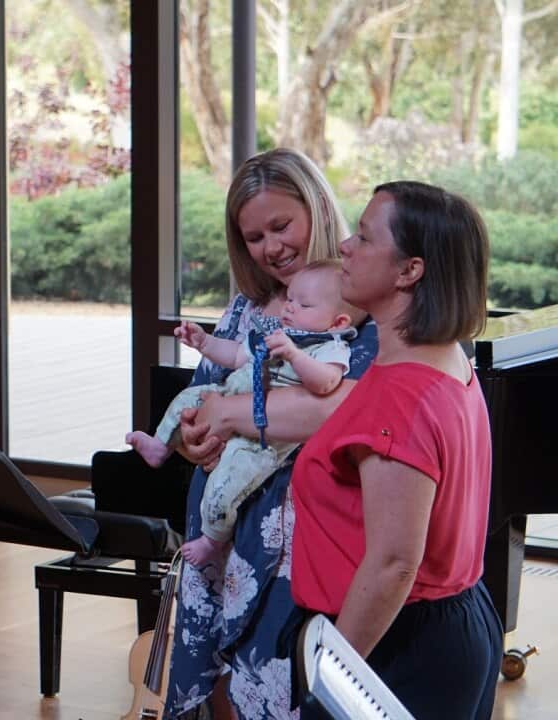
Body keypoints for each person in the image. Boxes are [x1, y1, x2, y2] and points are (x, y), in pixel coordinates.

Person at [162, 149, 378, 720]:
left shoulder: (357, 308)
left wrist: (229, 414)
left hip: (302, 536)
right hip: (223, 523)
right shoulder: (246, 309)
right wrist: (191, 439)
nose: (272, 247)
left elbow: (337, 411)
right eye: (254, 237)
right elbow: (204, 397)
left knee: (279, 687)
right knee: (218, 683)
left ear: (317, 208)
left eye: (282, 226)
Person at [288, 181, 502, 718]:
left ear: (410, 270)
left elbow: (393, 565)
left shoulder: (400, 398)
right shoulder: (446, 358)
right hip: (458, 621)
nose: (344, 246)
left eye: (363, 237)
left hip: (400, 642)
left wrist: (331, 678)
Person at [126, 260, 363, 569]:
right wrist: (205, 342)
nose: (290, 308)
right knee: (187, 398)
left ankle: (213, 539)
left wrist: (293, 354)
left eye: (303, 304)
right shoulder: (278, 332)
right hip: (229, 395)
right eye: (290, 299)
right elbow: (237, 355)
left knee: (227, 482)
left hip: (262, 440)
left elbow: (326, 383)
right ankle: (160, 446)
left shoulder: (329, 347)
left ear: (337, 322)